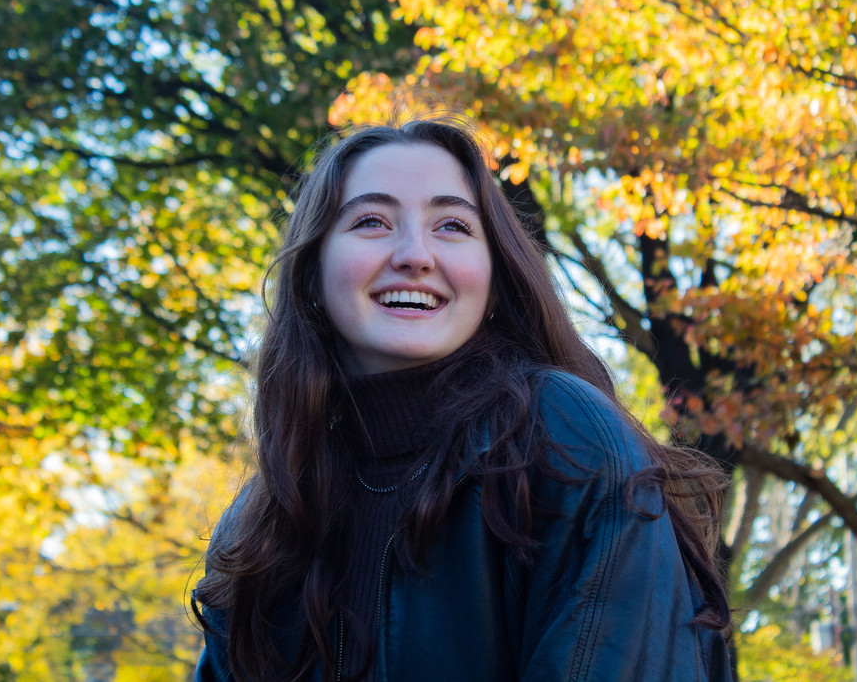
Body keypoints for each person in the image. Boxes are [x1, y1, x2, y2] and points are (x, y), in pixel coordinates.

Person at [192, 111, 734, 682]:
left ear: (495, 278)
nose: (415, 255)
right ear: (313, 276)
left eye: (452, 226)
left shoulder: (565, 440)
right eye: (372, 221)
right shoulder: (264, 521)